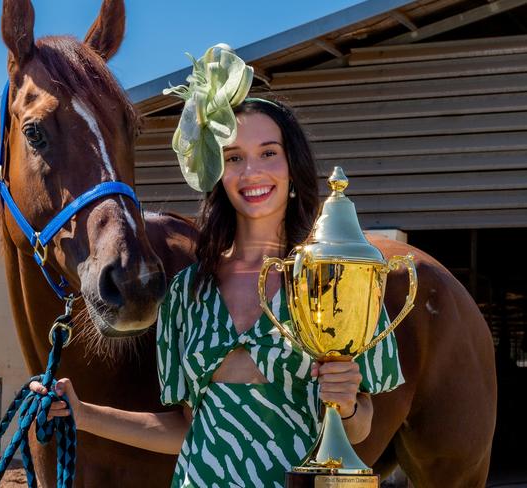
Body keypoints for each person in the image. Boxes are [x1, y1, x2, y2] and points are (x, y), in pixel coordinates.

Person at [31, 46, 403, 487]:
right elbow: (187, 429)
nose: (252, 172)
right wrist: (83, 413)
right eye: (234, 157)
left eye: (269, 153)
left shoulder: (334, 282)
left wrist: (347, 404)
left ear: (291, 166)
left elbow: (360, 427)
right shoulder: (188, 292)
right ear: (217, 175)